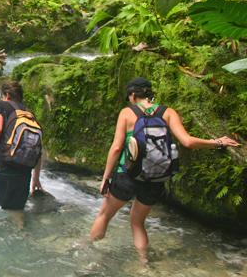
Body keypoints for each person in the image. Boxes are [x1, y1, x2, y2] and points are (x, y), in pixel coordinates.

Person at [90, 77, 240, 261]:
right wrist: (217, 142)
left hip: (127, 175)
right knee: (138, 223)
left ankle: (89, 254)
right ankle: (144, 263)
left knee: (104, 215)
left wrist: (106, 177)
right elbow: (188, 142)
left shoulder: (127, 113)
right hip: (156, 178)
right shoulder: (167, 112)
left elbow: (116, 148)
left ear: (133, 95)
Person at [0, 81, 43, 227]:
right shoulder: (29, 114)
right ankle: (22, 234)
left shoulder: (1, 106)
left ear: (6, 95)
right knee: (17, 212)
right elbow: (38, 147)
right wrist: (36, 178)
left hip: (2, 168)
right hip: (24, 173)